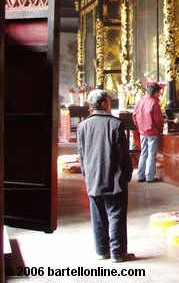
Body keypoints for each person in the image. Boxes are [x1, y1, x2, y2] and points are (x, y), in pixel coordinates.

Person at [77, 89, 133, 262]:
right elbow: (123, 155)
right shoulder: (116, 124)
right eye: (109, 101)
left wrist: (87, 176)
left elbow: (82, 154)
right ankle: (117, 253)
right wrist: (127, 175)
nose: (110, 103)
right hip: (114, 178)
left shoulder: (83, 126)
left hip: (93, 179)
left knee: (98, 217)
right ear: (103, 104)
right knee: (116, 214)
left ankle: (102, 251)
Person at [132, 82, 163, 183]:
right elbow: (158, 120)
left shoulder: (140, 101)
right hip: (152, 131)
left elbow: (134, 116)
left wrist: (139, 127)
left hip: (142, 131)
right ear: (155, 92)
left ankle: (141, 176)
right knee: (151, 154)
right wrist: (159, 129)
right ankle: (150, 177)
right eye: (159, 92)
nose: (160, 94)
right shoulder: (154, 102)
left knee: (143, 153)